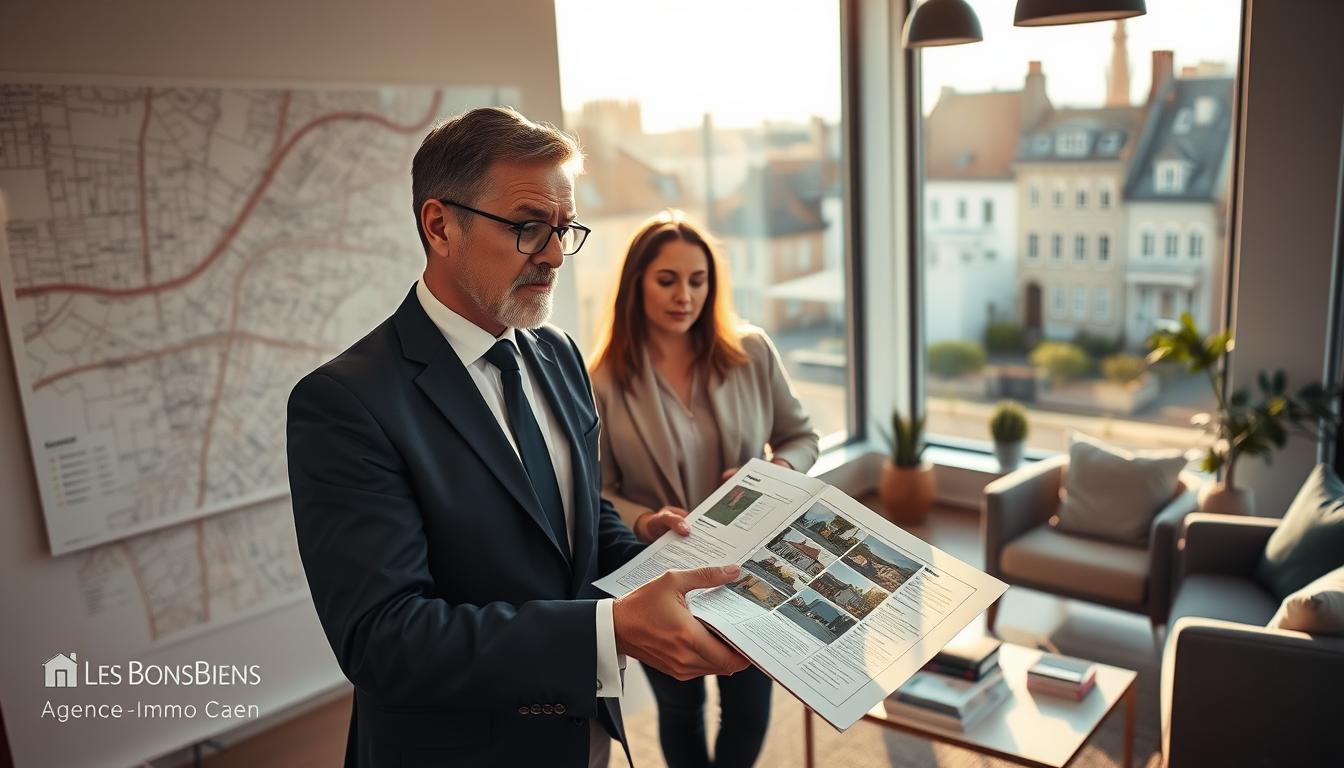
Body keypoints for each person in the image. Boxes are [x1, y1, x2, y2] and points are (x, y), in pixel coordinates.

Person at [286, 108, 749, 768]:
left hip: (584, 734)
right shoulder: (345, 402)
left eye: (564, 230)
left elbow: (576, 521)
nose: (555, 256)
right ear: (440, 226)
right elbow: (383, 639)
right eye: (529, 227)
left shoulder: (558, 354)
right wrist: (609, 629)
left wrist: (662, 564)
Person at [589, 211, 820, 768]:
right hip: (662, 573)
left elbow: (801, 437)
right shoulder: (603, 381)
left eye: (698, 280)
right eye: (667, 280)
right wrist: (644, 519)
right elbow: (597, 490)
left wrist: (778, 471)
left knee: (749, 705)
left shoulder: (752, 351)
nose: (685, 296)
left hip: (750, 565)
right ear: (637, 284)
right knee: (680, 707)